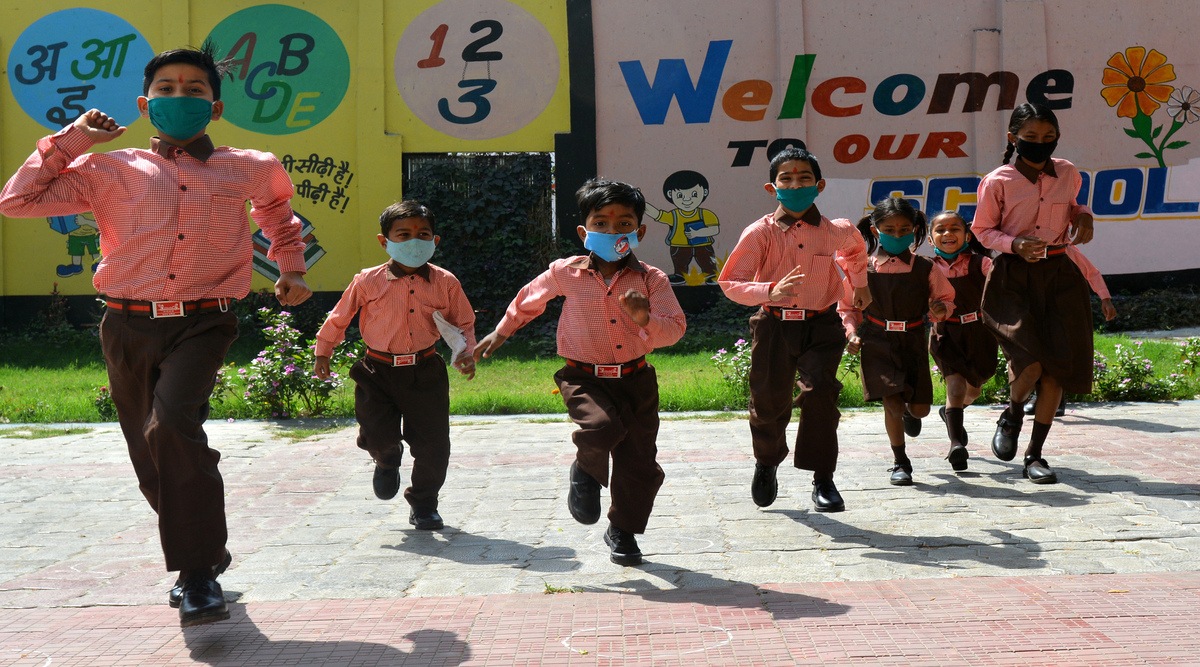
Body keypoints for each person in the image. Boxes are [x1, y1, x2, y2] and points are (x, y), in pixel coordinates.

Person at [0, 43, 312, 626]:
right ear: (146, 104)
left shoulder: (250, 165)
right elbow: (16, 202)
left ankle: (195, 577)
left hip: (204, 318)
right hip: (125, 323)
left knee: (171, 425)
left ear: (215, 108)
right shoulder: (106, 170)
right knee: (150, 450)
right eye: (166, 89)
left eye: (194, 89)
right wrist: (72, 139)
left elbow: (278, 214)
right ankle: (208, 549)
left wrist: (291, 266)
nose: (179, 97)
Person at [473, 178, 686, 566]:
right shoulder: (565, 272)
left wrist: (645, 318)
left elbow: (675, 328)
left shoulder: (651, 279)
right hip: (582, 376)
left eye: (623, 224)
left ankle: (622, 530)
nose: (612, 230)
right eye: (601, 222)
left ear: (639, 231)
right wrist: (501, 333)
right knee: (601, 428)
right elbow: (528, 301)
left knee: (639, 461)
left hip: (636, 379)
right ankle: (585, 469)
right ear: (584, 231)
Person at [717, 147, 870, 512]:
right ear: (773, 188)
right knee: (769, 402)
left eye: (804, 178)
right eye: (786, 178)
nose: (795, 183)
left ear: (819, 185)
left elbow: (855, 250)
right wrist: (769, 290)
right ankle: (767, 462)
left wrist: (859, 282)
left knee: (820, 395)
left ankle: (823, 477)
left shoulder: (837, 230)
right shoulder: (760, 233)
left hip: (822, 325)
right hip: (774, 326)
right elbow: (730, 282)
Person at [313, 201, 476, 531]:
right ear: (384, 241)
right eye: (403, 234)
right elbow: (340, 316)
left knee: (434, 444)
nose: (414, 241)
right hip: (377, 372)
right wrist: (323, 350)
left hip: (424, 371)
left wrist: (465, 352)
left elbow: (464, 322)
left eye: (422, 234)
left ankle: (424, 504)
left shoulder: (446, 282)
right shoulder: (368, 281)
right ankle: (386, 459)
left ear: (435, 241)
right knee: (378, 434)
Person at [973, 102, 1096, 485]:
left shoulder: (1069, 172)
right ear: (1013, 139)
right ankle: (1012, 413)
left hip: (1060, 276)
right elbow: (982, 231)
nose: (1040, 144)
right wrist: (1013, 245)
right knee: (1030, 363)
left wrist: (1083, 215)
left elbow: (1074, 205)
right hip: (1013, 279)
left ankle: (1035, 456)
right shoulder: (998, 181)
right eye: (1030, 138)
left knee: (1057, 368)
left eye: (1048, 137)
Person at [841, 197, 954, 486]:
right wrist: (851, 333)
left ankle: (909, 412)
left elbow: (944, 299)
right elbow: (848, 308)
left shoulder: (926, 267)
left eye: (904, 230)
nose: (897, 235)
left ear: (915, 229)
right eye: (889, 229)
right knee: (890, 400)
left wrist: (941, 309)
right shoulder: (861, 269)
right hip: (876, 341)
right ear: (875, 229)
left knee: (920, 409)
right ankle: (900, 461)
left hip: (913, 339)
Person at [926, 210, 997, 472]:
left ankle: (950, 413)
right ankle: (957, 445)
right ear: (931, 240)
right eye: (940, 230)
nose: (948, 234)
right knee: (955, 388)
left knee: (974, 389)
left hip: (980, 332)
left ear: (967, 234)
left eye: (954, 228)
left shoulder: (983, 264)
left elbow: (1002, 291)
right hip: (945, 333)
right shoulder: (926, 267)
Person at [1024, 247, 1118, 416]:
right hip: (1033, 309)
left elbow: (1091, 272)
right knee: (1034, 352)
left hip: (1061, 310)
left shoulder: (1066, 250)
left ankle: (1058, 400)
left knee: (1059, 351)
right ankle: (1037, 396)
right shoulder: (1024, 247)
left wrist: (1105, 298)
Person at [644, 169, 720, 285]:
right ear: (670, 195)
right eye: (680, 195)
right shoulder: (674, 215)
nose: (687, 199)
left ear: (704, 193)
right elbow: (657, 214)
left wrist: (698, 233)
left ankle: (711, 275)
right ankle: (679, 275)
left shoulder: (706, 214)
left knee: (707, 261)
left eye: (694, 194)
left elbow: (715, 229)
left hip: (703, 245)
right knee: (680, 262)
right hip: (680, 246)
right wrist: (641, 202)